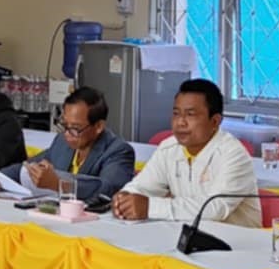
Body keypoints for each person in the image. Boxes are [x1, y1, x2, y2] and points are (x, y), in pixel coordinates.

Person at [111, 80, 260, 226]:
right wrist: (124, 199)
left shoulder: (233, 154)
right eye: (176, 113)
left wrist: (150, 207)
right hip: (186, 235)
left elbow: (215, 208)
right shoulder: (169, 148)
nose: (180, 122)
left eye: (190, 114)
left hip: (236, 239)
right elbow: (142, 186)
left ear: (215, 121)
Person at [0, 86, 136, 199]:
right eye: (64, 125)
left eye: (75, 128)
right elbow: (27, 167)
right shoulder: (62, 141)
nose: (67, 134)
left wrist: (58, 183)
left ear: (98, 126)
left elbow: (108, 189)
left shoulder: (119, 151)